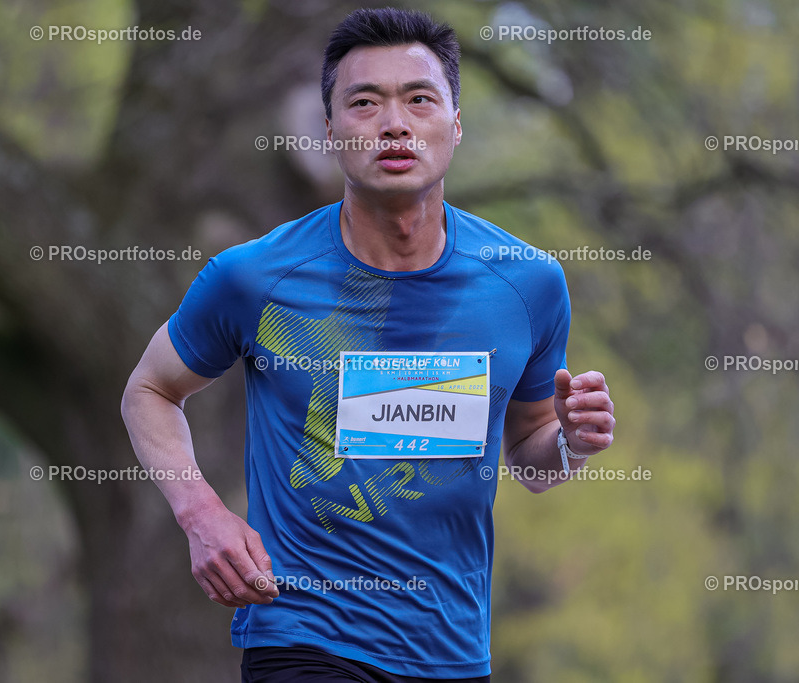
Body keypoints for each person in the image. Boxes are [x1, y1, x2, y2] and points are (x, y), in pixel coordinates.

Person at [121, 7, 615, 682]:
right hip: (304, 638)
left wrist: (570, 443)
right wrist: (200, 512)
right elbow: (149, 390)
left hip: (452, 651)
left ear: (456, 124)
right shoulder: (256, 277)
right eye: (364, 103)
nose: (394, 124)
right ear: (329, 130)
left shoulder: (527, 283)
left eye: (419, 100)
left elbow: (531, 453)